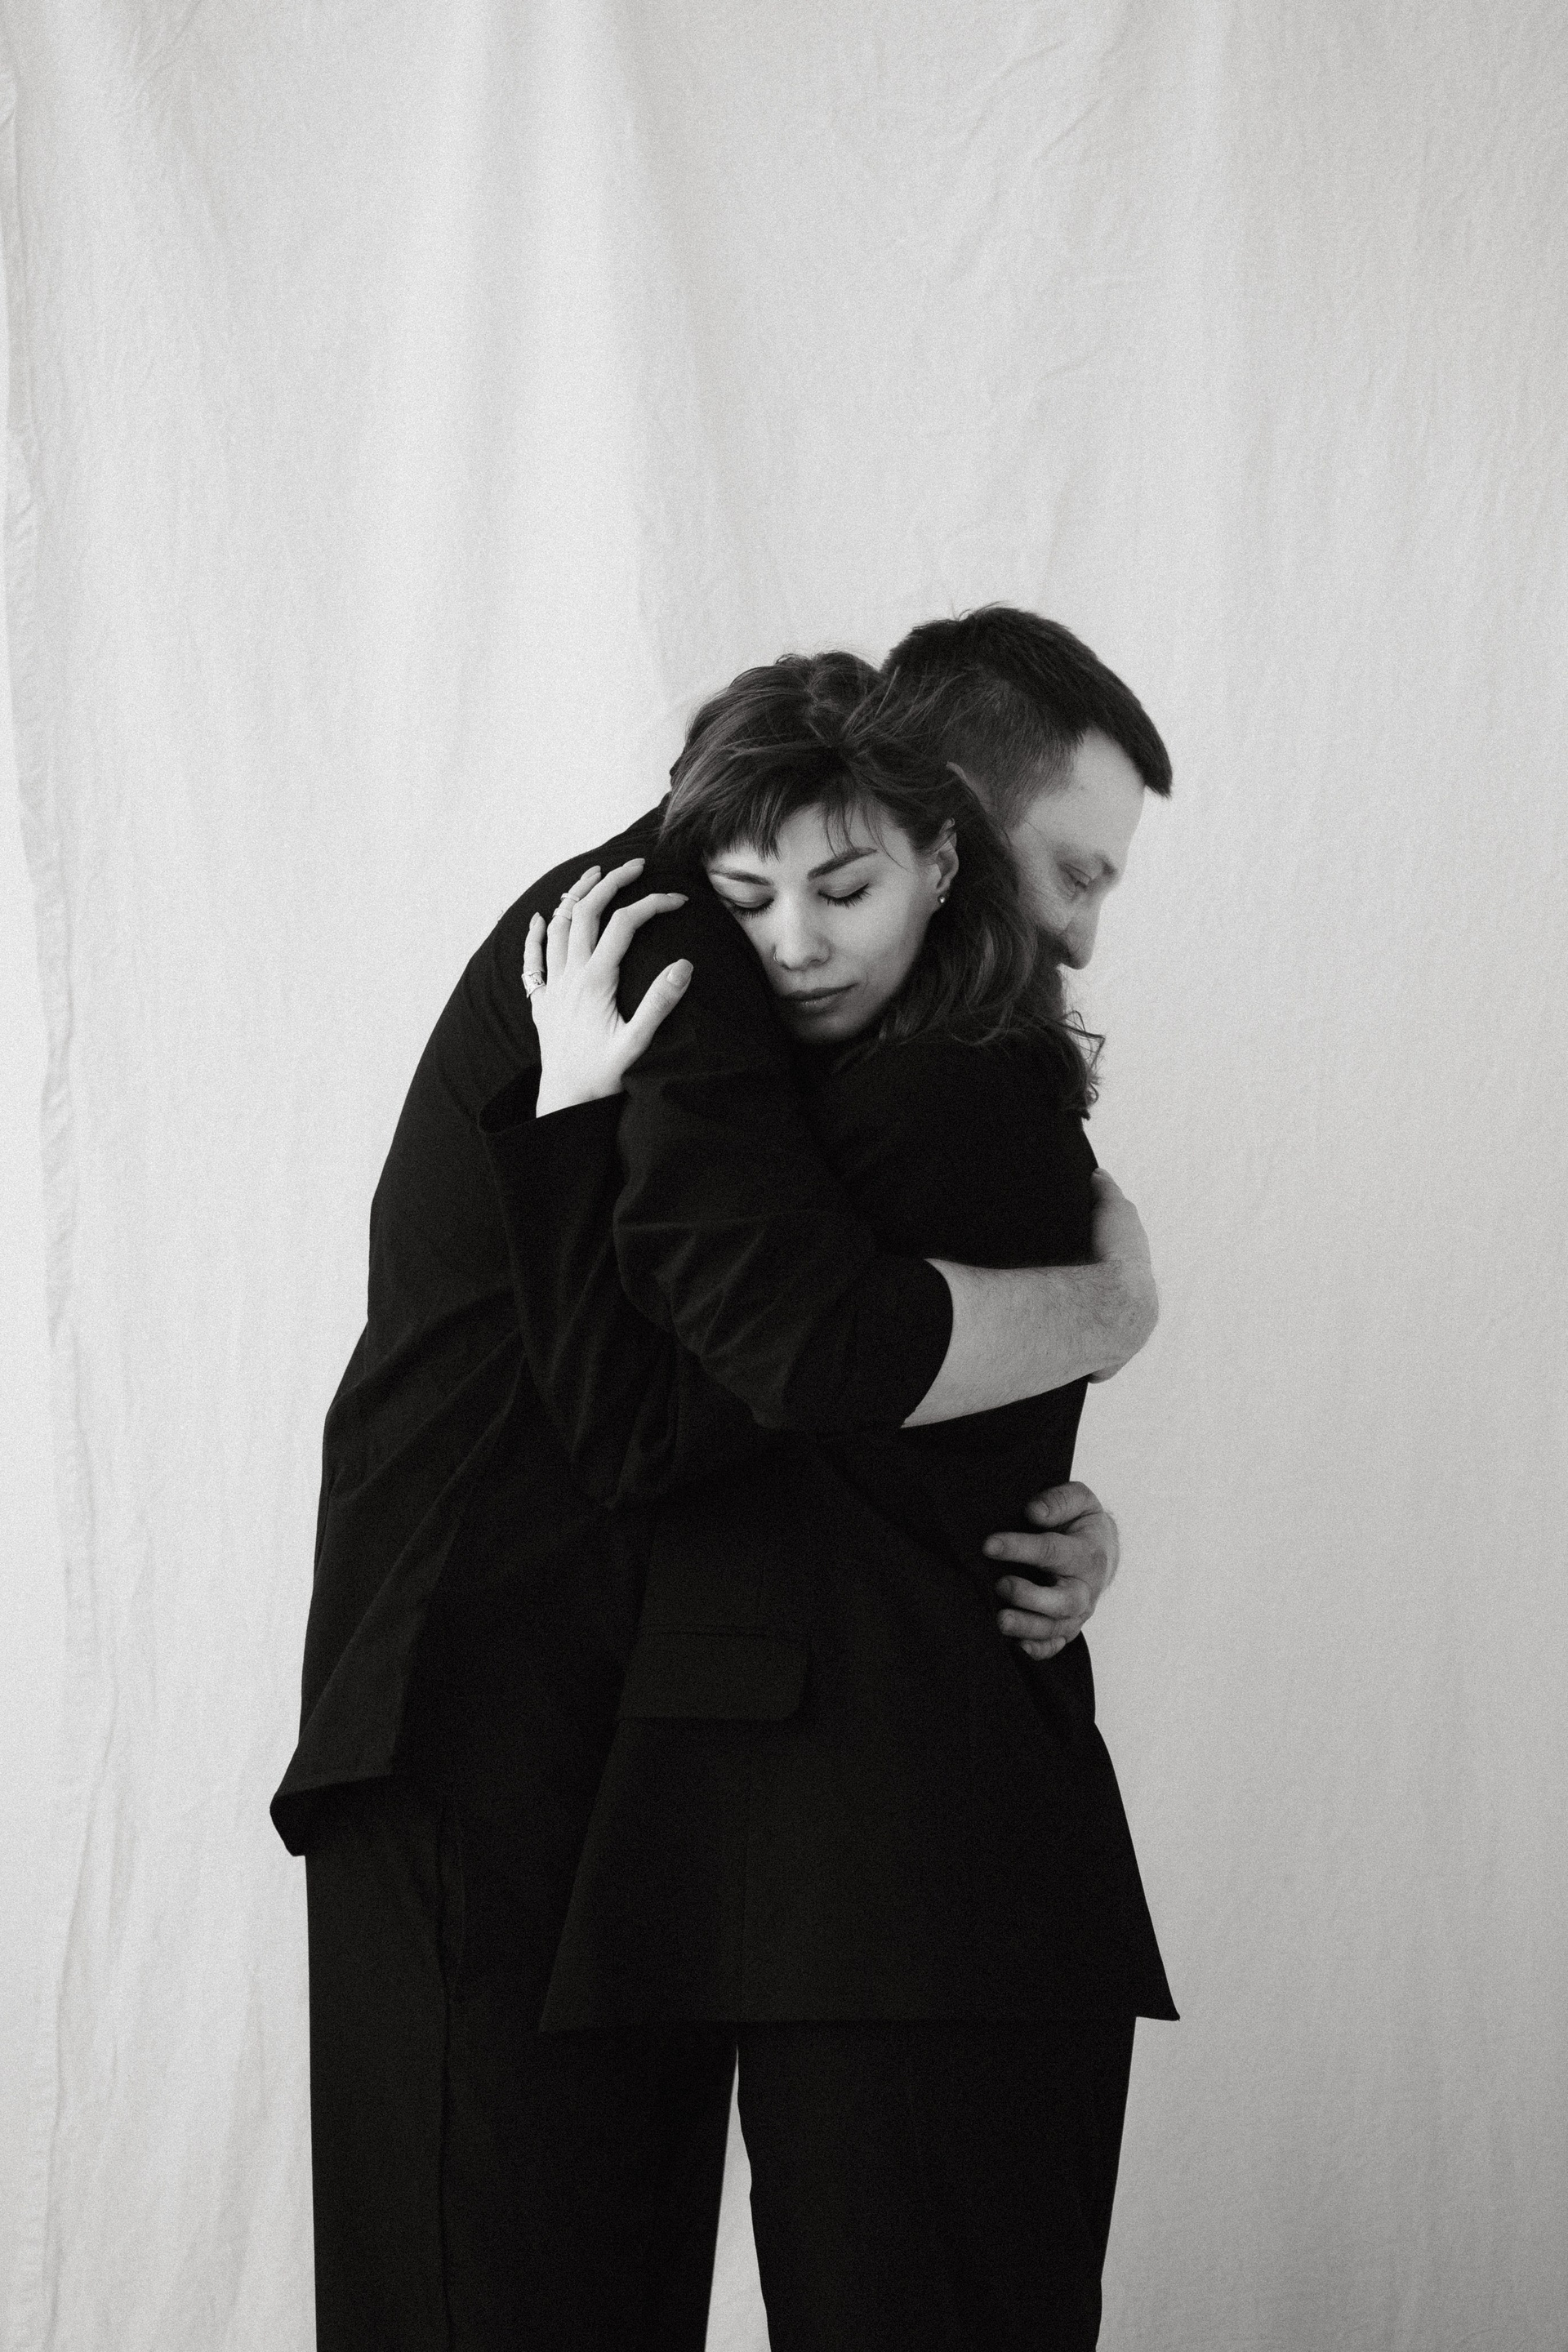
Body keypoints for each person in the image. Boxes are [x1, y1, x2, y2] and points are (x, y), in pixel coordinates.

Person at [273, 616, 1164, 2348]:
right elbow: (807, 1345)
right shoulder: (673, 939)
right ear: (937, 813)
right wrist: (1113, 1307)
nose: (1073, 932)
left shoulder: (798, 974)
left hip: (642, 1738)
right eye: (1066, 869)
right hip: (483, 1715)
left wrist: (1035, 1511)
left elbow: (804, 1381)